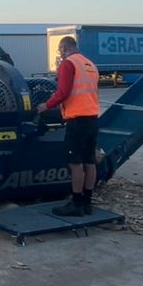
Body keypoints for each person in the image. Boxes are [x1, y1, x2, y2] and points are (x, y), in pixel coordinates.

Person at [37, 36, 100, 216]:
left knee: (75, 163)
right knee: (90, 161)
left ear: (64, 48)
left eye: (60, 50)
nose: (60, 54)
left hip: (77, 120)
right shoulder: (89, 64)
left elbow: (63, 92)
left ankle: (76, 203)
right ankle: (87, 202)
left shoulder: (68, 64)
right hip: (92, 118)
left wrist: (45, 106)